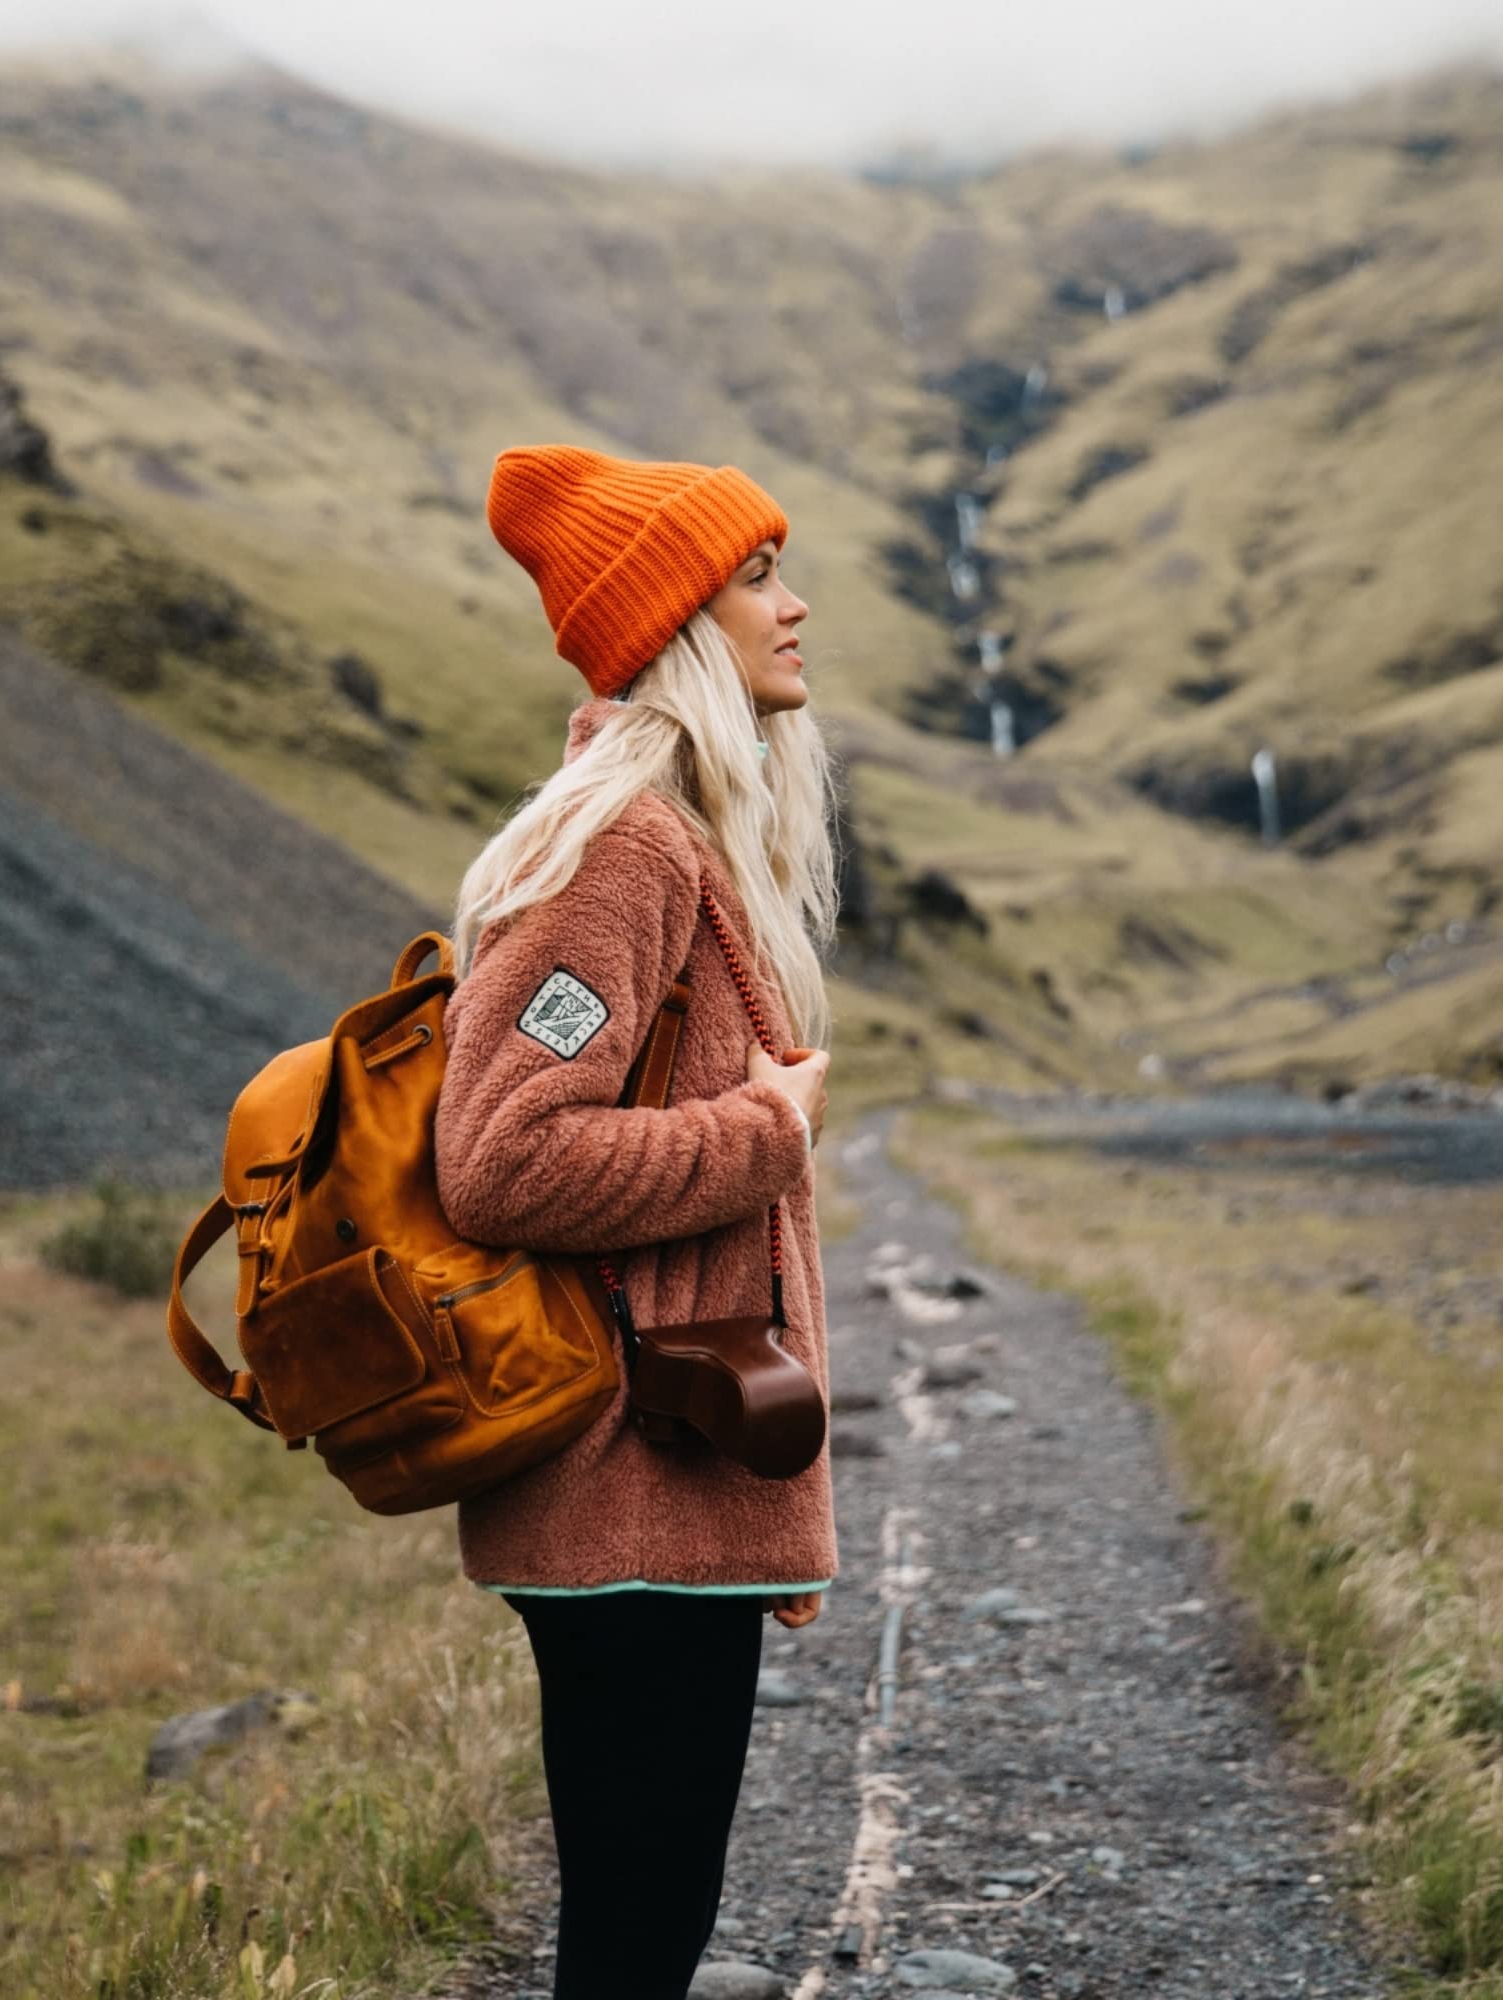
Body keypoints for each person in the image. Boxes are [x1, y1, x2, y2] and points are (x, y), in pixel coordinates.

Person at [433, 443, 840, 1997]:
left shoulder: (676, 837)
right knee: (634, 1938)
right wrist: (770, 1128)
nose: (795, 607)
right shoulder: (624, 851)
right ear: (678, 619)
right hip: (628, 1495)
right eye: (756, 578)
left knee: (645, 1923)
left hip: (654, 1491)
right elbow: (502, 1158)